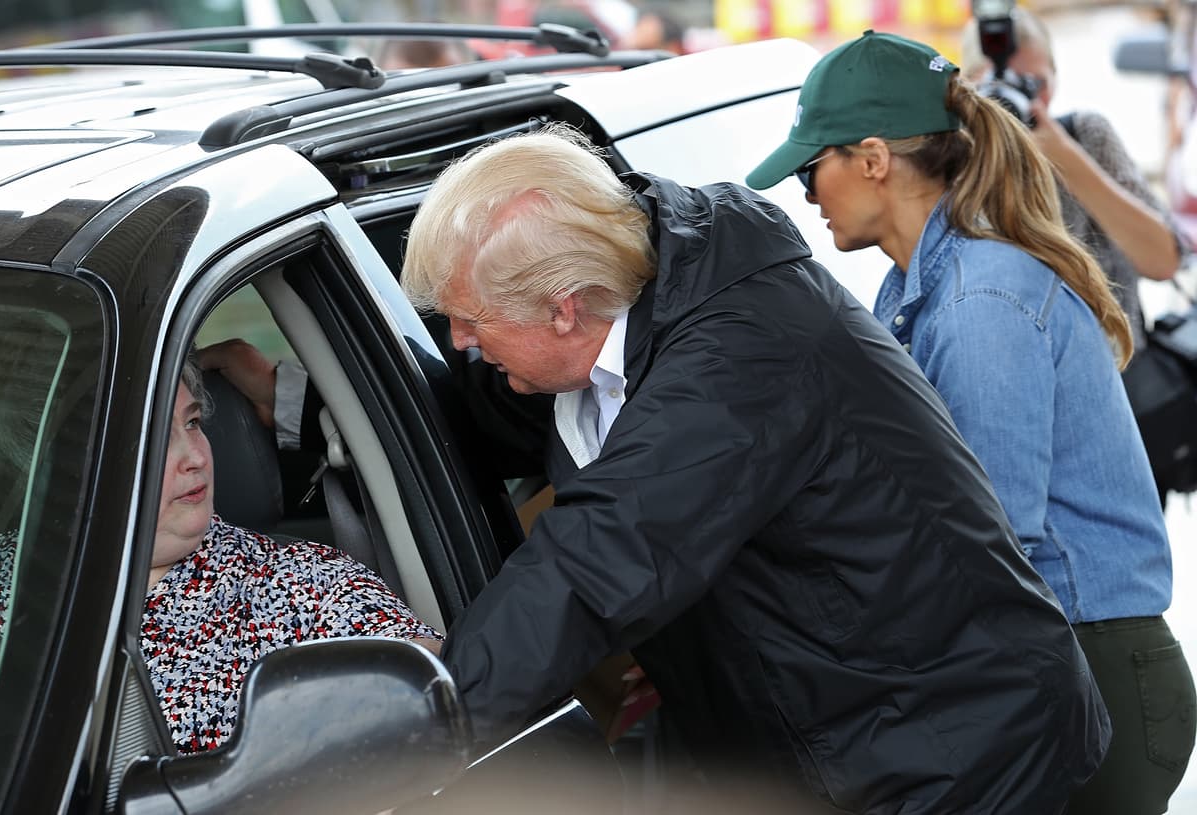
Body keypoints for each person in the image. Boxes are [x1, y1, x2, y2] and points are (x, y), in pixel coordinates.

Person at [397, 121, 1108, 813]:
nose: (459, 341)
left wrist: (411, 733)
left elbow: (598, 559)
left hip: (953, 753)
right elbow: (464, 415)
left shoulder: (740, 355)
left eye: (470, 319)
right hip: (842, 743)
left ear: (563, 309)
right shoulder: (620, 315)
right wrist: (306, 408)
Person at [745, 29, 1196, 815]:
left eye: (812, 168)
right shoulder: (920, 286)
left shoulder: (980, 300)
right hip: (1056, 659)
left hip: (1093, 668)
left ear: (875, 158)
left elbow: (986, 537)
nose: (805, 194)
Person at [0, 357, 440, 754]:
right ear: (65, 469)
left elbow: (430, 689)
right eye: (152, 440)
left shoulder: (306, 586)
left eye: (191, 423)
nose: (194, 457)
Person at [960, 7, 1189, 346]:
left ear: (1055, 76)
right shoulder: (955, 158)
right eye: (999, 88)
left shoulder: (1084, 136)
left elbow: (1164, 261)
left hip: (1114, 369)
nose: (1018, 99)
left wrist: (1068, 159)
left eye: (1033, 84)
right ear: (970, 90)